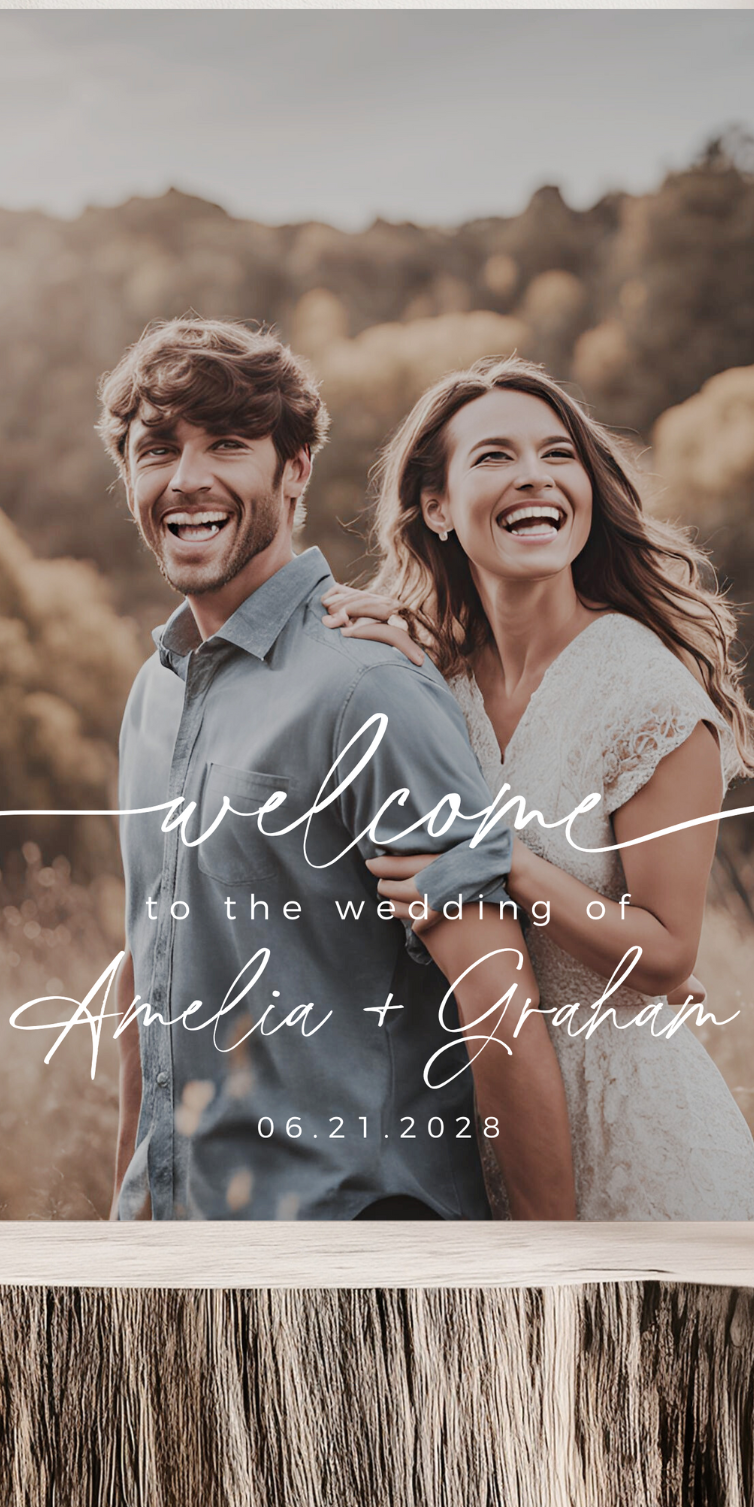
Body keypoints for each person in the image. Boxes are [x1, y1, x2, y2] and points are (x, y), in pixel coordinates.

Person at [98, 319, 576, 1221]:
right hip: (180, 1246)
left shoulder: (368, 687)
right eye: (157, 449)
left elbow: (495, 999)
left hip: (352, 1249)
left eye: (227, 445)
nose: (187, 477)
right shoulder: (153, 696)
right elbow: (148, 974)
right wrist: (129, 1225)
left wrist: (548, 1271)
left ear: (296, 469)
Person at [324, 356, 754, 1220]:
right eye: (495, 456)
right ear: (436, 507)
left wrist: (512, 864)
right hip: (484, 1119)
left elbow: (668, 955)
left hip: (644, 1139)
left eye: (557, 454)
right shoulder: (435, 683)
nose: (534, 475)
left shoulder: (645, 691)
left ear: (588, 492)